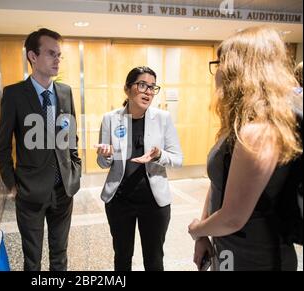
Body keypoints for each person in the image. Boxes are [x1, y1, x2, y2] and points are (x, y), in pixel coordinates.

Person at [188, 26, 302, 271]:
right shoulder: (243, 123)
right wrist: (205, 236)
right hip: (228, 247)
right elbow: (219, 182)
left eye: (219, 63)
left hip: (256, 256)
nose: (216, 71)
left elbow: (232, 218)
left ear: (237, 68)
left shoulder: (259, 131)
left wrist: (197, 228)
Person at [0, 28, 81, 271]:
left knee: (60, 255)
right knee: (32, 259)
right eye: (51, 54)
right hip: (30, 192)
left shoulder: (64, 92)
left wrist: (75, 169)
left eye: (59, 55)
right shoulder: (14, 94)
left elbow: (70, 137)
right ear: (33, 56)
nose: (57, 60)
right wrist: (12, 185)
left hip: (63, 190)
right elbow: (3, 146)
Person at [96, 66, 183, 271]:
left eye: (152, 87)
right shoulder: (110, 119)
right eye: (142, 85)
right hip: (119, 201)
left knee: (154, 260)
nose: (148, 92)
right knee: (122, 257)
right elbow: (103, 163)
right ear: (127, 89)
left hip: (154, 202)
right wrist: (105, 156)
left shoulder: (162, 118)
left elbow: (178, 159)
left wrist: (159, 155)